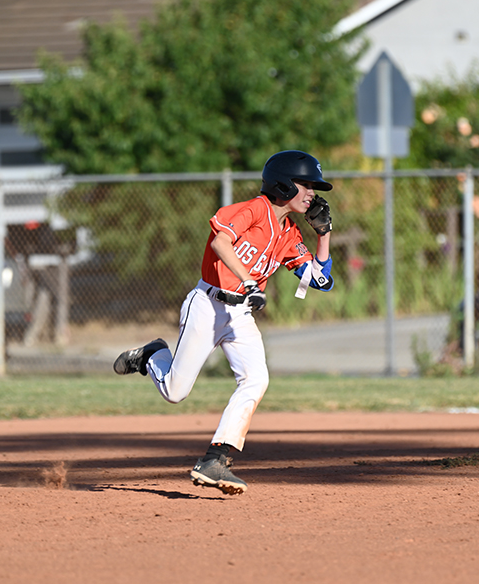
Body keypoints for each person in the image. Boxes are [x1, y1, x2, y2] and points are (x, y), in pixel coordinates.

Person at [113, 150, 335, 495]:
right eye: (305, 184)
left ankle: (216, 458)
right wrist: (248, 281)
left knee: (256, 378)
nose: (312, 192)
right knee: (175, 392)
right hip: (208, 305)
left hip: (240, 314)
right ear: (282, 183)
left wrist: (323, 235)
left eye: (313, 186)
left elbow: (319, 280)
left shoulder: (289, 233)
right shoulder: (252, 210)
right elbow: (220, 241)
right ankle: (153, 354)